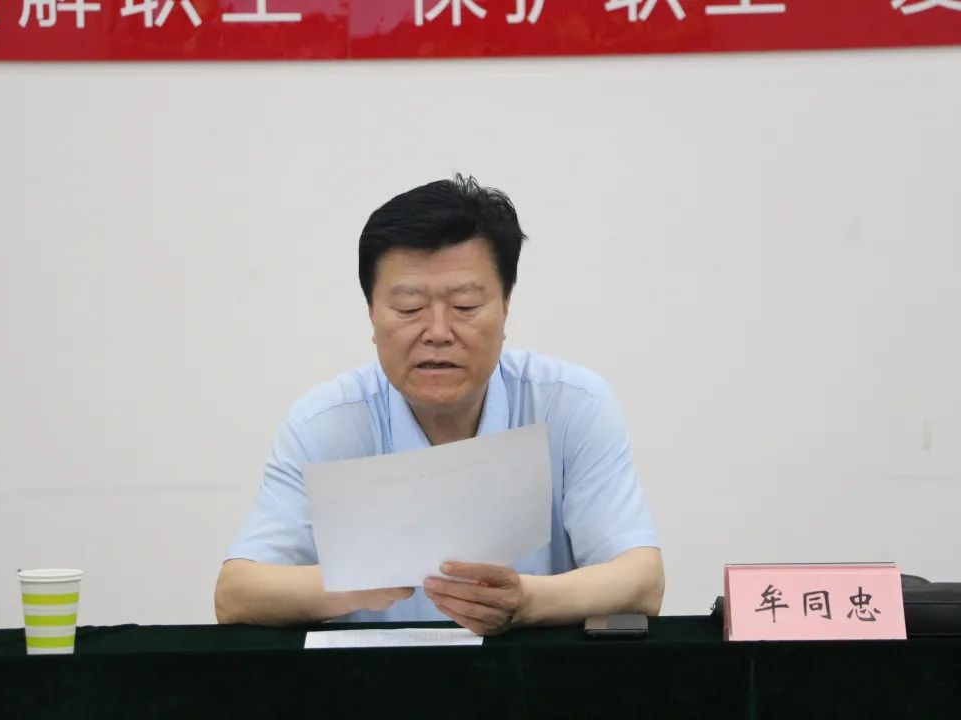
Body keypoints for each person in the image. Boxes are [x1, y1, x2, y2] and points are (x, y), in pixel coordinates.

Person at [215, 175, 663, 636]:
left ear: (506, 305)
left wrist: (526, 601)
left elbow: (642, 582)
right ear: (371, 313)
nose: (438, 332)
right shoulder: (327, 423)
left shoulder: (570, 404)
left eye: (465, 306)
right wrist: (360, 579)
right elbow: (236, 594)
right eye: (409, 308)